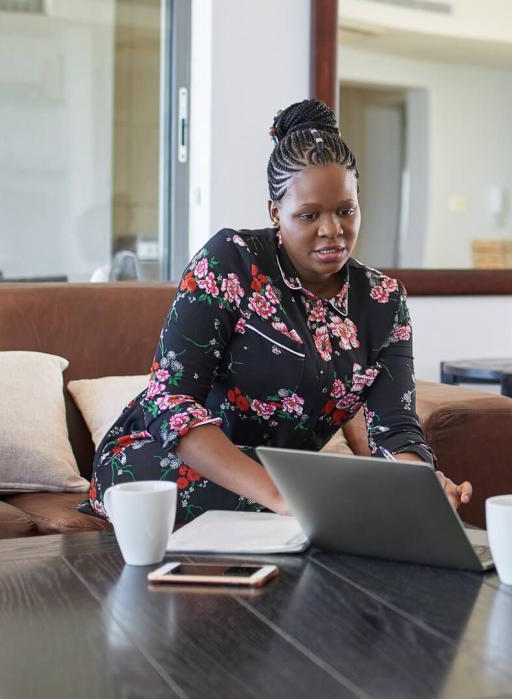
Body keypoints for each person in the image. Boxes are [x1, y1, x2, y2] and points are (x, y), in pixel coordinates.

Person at [82, 99, 472, 524]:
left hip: (289, 477)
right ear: (275, 212)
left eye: (346, 210)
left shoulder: (383, 301)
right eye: (309, 215)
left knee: (370, 497)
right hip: (162, 461)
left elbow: (394, 427)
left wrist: (421, 482)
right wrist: (283, 497)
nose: (332, 230)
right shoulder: (231, 261)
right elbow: (169, 402)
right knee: (335, 499)